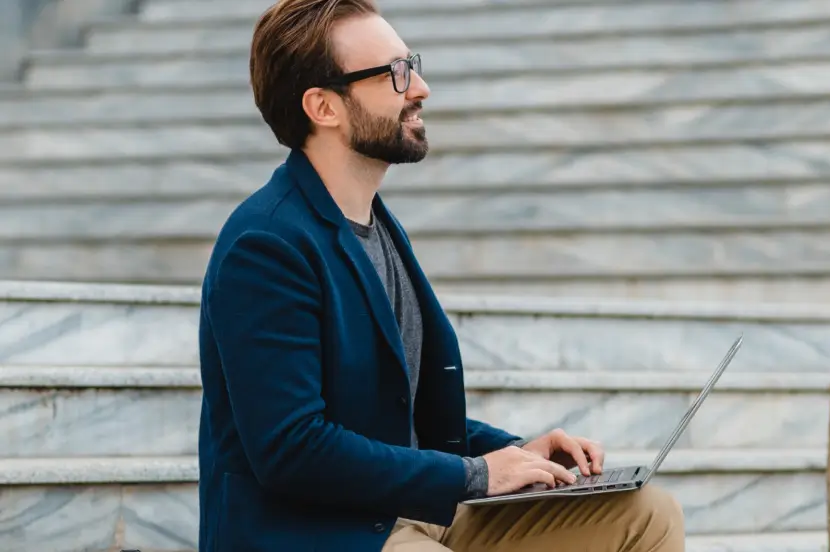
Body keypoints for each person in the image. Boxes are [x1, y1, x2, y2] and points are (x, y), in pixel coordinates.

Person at [195, 0, 686, 550]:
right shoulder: (265, 245)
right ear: (323, 107)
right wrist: (476, 476)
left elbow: (402, 421)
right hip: (317, 531)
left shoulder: (376, 226)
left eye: (413, 64)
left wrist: (520, 453)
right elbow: (292, 450)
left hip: (405, 509)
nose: (420, 87)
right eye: (395, 73)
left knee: (646, 514)